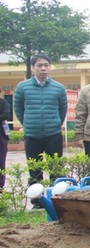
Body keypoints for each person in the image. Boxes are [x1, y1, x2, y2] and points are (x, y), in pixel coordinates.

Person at [14, 53, 68, 185]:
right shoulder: (22, 87)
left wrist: (55, 124)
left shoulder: (59, 88)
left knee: (55, 170)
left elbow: (62, 110)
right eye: (39, 65)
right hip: (32, 136)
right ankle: (37, 202)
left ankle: (55, 200)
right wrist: (28, 124)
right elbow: (18, 109)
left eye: (46, 65)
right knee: (35, 171)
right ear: (32, 68)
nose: (43, 68)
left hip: (53, 135)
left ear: (49, 68)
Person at [0, 96, 10, 193]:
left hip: (1, 135)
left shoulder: (3, 102)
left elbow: (6, 115)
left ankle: (0, 186)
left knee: (1, 161)